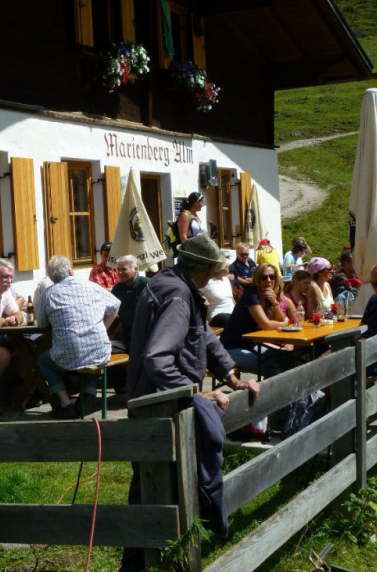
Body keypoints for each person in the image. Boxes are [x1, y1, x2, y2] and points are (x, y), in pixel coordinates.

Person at [120, 234, 259, 571]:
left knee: (154, 494)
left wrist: (231, 375)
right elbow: (157, 359)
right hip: (160, 412)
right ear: (209, 268)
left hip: (155, 406)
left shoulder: (171, 283)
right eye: (218, 269)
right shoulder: (179, 296)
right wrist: (194, 393)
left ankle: (147, 562)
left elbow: (203, 335)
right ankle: (153, 562)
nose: (221, 274)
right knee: (156, 494)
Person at [37, 256, 120, 419]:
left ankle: (65, 404)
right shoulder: (91, 286)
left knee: (43, 361)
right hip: (100, 350)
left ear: (52, 278)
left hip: (69, 354)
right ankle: (88, 394)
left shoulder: (48, 294)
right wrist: (103, 327)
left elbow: (41, 324)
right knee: (93, 352)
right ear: (70, 271)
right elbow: (116, 304)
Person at [110, 255, 149, 352]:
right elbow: (110, 312)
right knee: (103, 348)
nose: (120, 273)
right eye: (118, 270)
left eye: (124, 269)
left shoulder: (148, 285)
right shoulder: (118, 288)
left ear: (135, 269)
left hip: (147, 338)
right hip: (126, 338)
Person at [203, 258, 236, 327]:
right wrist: (202, 297)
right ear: (220, 269)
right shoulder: (208, 282)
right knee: (233, 321)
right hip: (217, 314)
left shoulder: (226, 280)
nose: (229, 269)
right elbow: (195, 290)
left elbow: (231, 298)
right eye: (227, 267)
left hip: (232, 313)